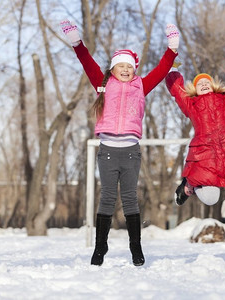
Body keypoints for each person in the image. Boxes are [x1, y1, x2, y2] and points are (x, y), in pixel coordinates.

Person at [61, 20, 179, 266]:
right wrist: (76, 42)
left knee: (129, 198)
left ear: (134, 69)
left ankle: (136, 248)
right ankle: (99, 246)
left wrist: (172, 47)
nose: (125, 69)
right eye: (120, 66)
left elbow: (161, 69)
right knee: (106, 198)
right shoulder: (102, 84)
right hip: (107, 151)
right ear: (113, 69)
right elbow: (86, 61)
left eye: (129, 66)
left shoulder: (141, 86)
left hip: (130, 152)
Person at [165, 52, 225, 209]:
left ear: (213, 85)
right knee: (210, 199)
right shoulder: (191, 104)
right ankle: (189, 186)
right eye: (199, 83)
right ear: (194, 89)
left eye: (206, 82)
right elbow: (177, 91)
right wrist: (172, 70)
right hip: (205, 154)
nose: (203, 84)